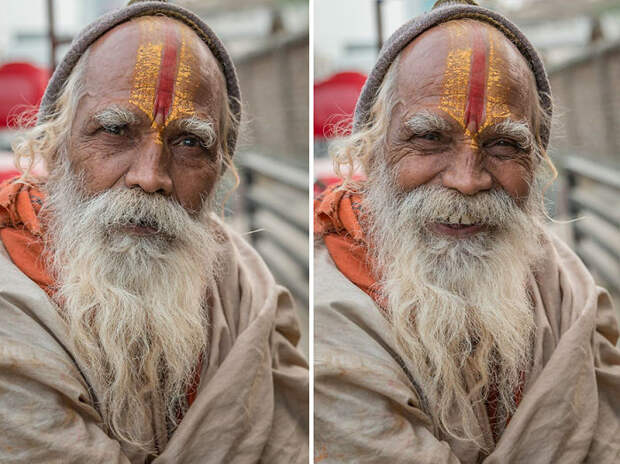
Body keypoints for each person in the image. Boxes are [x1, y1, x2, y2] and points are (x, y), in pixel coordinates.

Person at [0, 1, 308, 462]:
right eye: (115, 130)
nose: (150, 176)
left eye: (189, 142)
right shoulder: (11, 310)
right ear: (56, 148)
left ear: (220, 168)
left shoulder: (244, 290)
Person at [314, 1, 620, 462]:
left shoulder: (564, 288)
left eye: (503, 145)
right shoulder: (332, 319)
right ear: (372, 150)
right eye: (430, 138)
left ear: (536, 162)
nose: (467, 179)